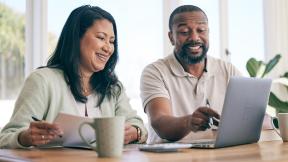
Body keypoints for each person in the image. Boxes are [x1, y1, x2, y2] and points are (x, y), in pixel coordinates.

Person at [0, 5, 147, 149]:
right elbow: (6, 137)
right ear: (76, 38)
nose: (108, 48)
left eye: (112, 41)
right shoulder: (42, 81)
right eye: (101, 38)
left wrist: (135, 132)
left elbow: (138, 125)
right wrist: (25, 137)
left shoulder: (113, 87)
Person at [140, 5, 242, 144]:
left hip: (218, 155)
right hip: (170, 156)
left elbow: (250, 116)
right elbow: (159, 122)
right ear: (171, 37)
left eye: (201, 30)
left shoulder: (228, 70)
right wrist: (189, 122)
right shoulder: (155, 72)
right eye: (184, 32)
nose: (194, 37)